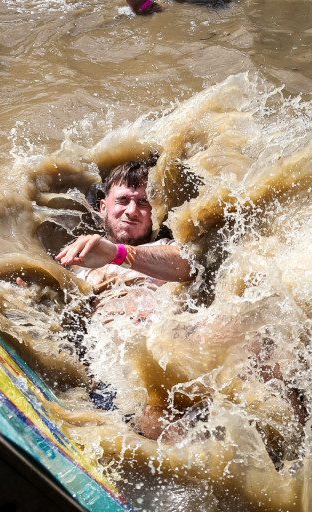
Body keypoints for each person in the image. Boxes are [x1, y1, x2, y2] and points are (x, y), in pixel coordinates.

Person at [55, 159, 193, 439]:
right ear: (102, 206)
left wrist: (116, 254)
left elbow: (187, 266)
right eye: (123, 200)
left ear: (154, 213)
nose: (131, 211)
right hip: (112, 375)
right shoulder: (75, 262)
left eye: (143, 203)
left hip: (170, 358)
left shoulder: (164, 248)